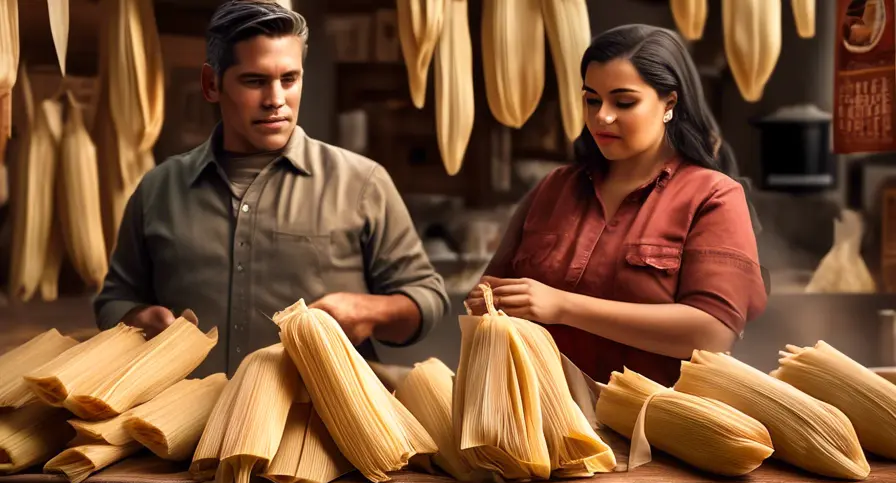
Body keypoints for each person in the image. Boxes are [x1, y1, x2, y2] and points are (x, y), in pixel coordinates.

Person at [94, 0, 449, 377]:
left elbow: (426, 297)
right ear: (211, 84)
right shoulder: (158, 189)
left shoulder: (362, 183)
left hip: (315, 429)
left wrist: (371, 312)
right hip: (183, 428)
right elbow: (115, 299)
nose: (276, 100)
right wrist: (137, 319)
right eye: (255, 81)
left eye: (289, 79)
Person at [465, 24, 768, 387]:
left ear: (669, 103)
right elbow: (493, 291)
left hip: (657, 431)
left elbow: (712, 334)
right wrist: (489, 303)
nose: (601, 117)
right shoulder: (553, 188)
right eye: (592, 100)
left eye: (623, 102)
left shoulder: (712, 196)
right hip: (543, 429)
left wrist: (562, 306)